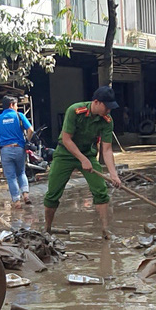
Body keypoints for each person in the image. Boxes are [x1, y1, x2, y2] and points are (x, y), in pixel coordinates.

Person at [43, 86, 122, 237]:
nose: (109, 111)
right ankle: (47, 228)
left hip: (88, 154)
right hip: (65, 154)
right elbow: (66, 139)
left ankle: (106, 230)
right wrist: (82, 159)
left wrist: (114, 174)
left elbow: (106, 150)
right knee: (52, 194)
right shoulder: (75, 111)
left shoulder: (107, 121)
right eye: (107, 107)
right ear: (97, 102)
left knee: (101, 191)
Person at [0, 95, 36, 206]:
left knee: (11, 177)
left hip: (5, 150)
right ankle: (25, 195)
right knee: (21, 172)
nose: (17, 107)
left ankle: (16, 201)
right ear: (11, 105)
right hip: (19, 148)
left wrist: (1, 138)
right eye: (16, 105)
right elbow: (30, 130)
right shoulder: (19, 116)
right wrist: (27, 141)